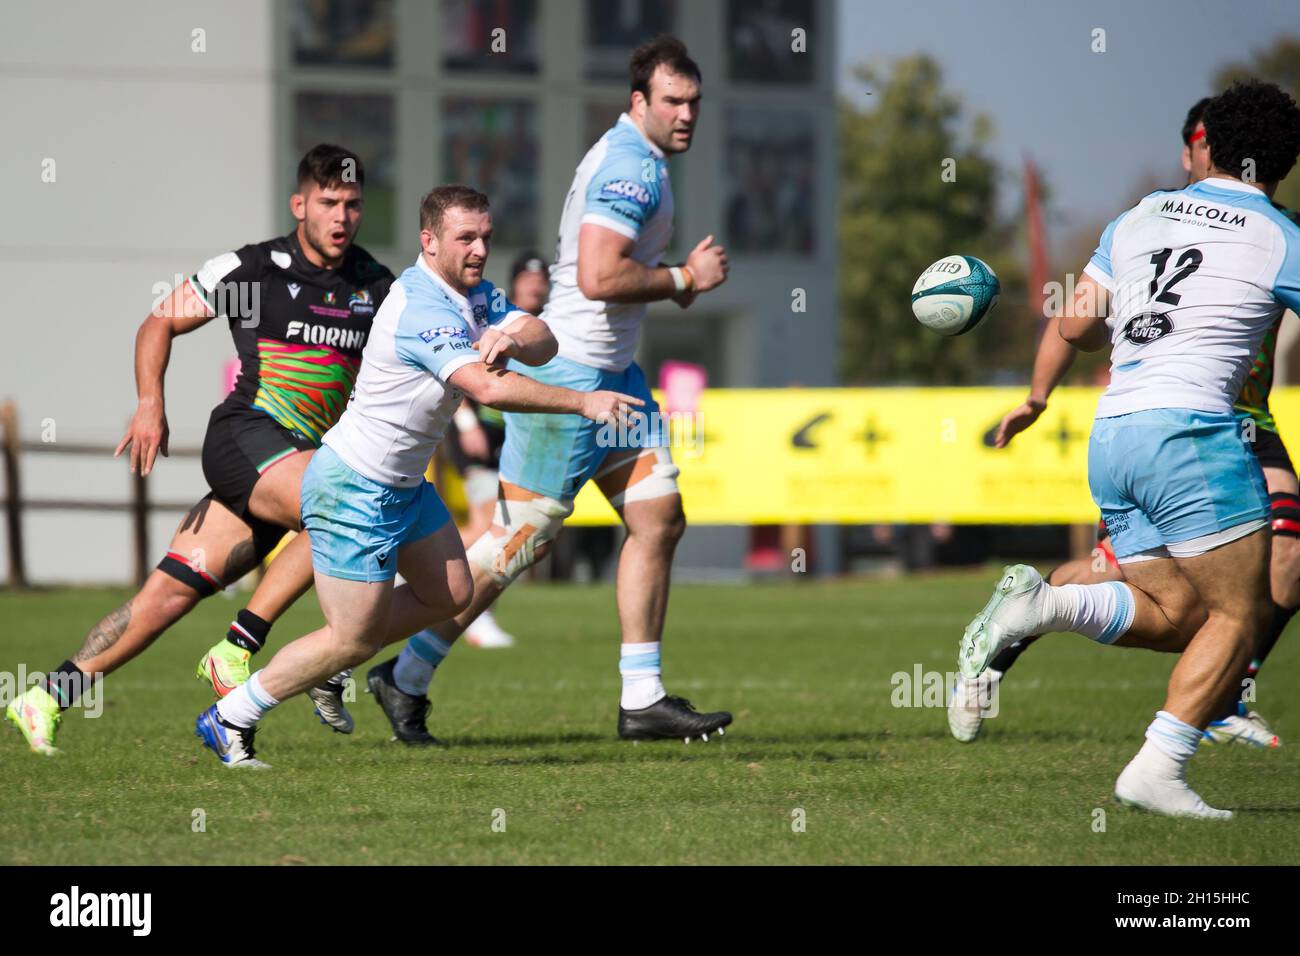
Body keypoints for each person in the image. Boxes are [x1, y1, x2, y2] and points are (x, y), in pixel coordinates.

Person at [194, 185, 640, 767]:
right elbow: (486, 387)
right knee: (349, 636)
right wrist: (583, 403)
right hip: (354, 487)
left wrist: (509, 332)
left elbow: (544, 337)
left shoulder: (476, 294)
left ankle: (338, 665)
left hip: (404, 488)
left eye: (485, 236)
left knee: (452, 593)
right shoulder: (419, 305)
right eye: (466, 238)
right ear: (429, 242)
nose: (480, 249)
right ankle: (232, 716)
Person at [368, 36, 733, 745]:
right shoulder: (632, 167)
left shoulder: (639, 158)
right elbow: (598, 277)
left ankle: (642, 698)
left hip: (616, 379)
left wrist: (673, 285)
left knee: (659, 520)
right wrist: (685, 280)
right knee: (511, 550)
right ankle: (395, 671)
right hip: (571, 377)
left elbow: (614, 277)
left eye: (694, 101)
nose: (686, 113)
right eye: (672, 101)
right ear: (639, 103)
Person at [955, 80, 1300, 818]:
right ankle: (1158, 766)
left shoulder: (1139, 216)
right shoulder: (1280, 236)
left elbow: (1076, 327)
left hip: (1114, 435)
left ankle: (1042, 606)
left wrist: (1037, 398)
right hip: (1195, 435)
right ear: (1284, 159)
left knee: (1176, 613)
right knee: (1240, 614)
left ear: (1205, 145)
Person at [6, 145, 392, 754]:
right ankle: (246, 647)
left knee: (165, 598)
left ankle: (46, 694)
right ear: (300, 205)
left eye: (351, 204)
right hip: (248, 436)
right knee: (344, 506)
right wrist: (150, 403)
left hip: (299, 466)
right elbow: (159, 322)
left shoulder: (373, 286)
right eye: (327, 203)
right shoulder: (254, 272)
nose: (341, 216)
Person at [445, 251, 551, 648]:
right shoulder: (491, 313)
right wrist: (467, 421)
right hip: (479, 437)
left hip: (515, 442)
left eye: (542, 280)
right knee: (489, 523)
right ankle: (470, 609)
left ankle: (419, 565)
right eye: (528, 278)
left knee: (516, 530)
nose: (535, 286)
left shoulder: (542, 330)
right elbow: (455, 364)